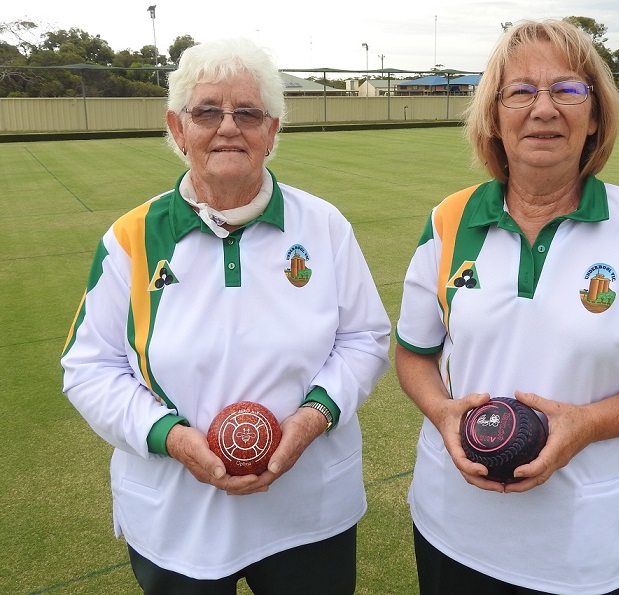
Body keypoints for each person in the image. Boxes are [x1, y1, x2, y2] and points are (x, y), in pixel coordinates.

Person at [395, 19, 619, 595]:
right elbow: (414, 353)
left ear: (595, 116)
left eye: (569, 90)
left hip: (584, 550)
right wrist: (444, 414)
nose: (544, 109)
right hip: (452, 529)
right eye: (520, 91)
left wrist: (586, 425)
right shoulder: (449, 220)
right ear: (494, 117)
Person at [61, 38, 390, 595]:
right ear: (177, 126)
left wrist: (310, 420)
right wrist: (170, 437)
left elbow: (364, 339)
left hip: (308, 511)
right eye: (208, 111)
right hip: (178, 519)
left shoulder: (325, 226)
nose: (229, 127)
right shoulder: (130, 239)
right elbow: (89, 368)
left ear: (273, 130)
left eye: (249, 113)